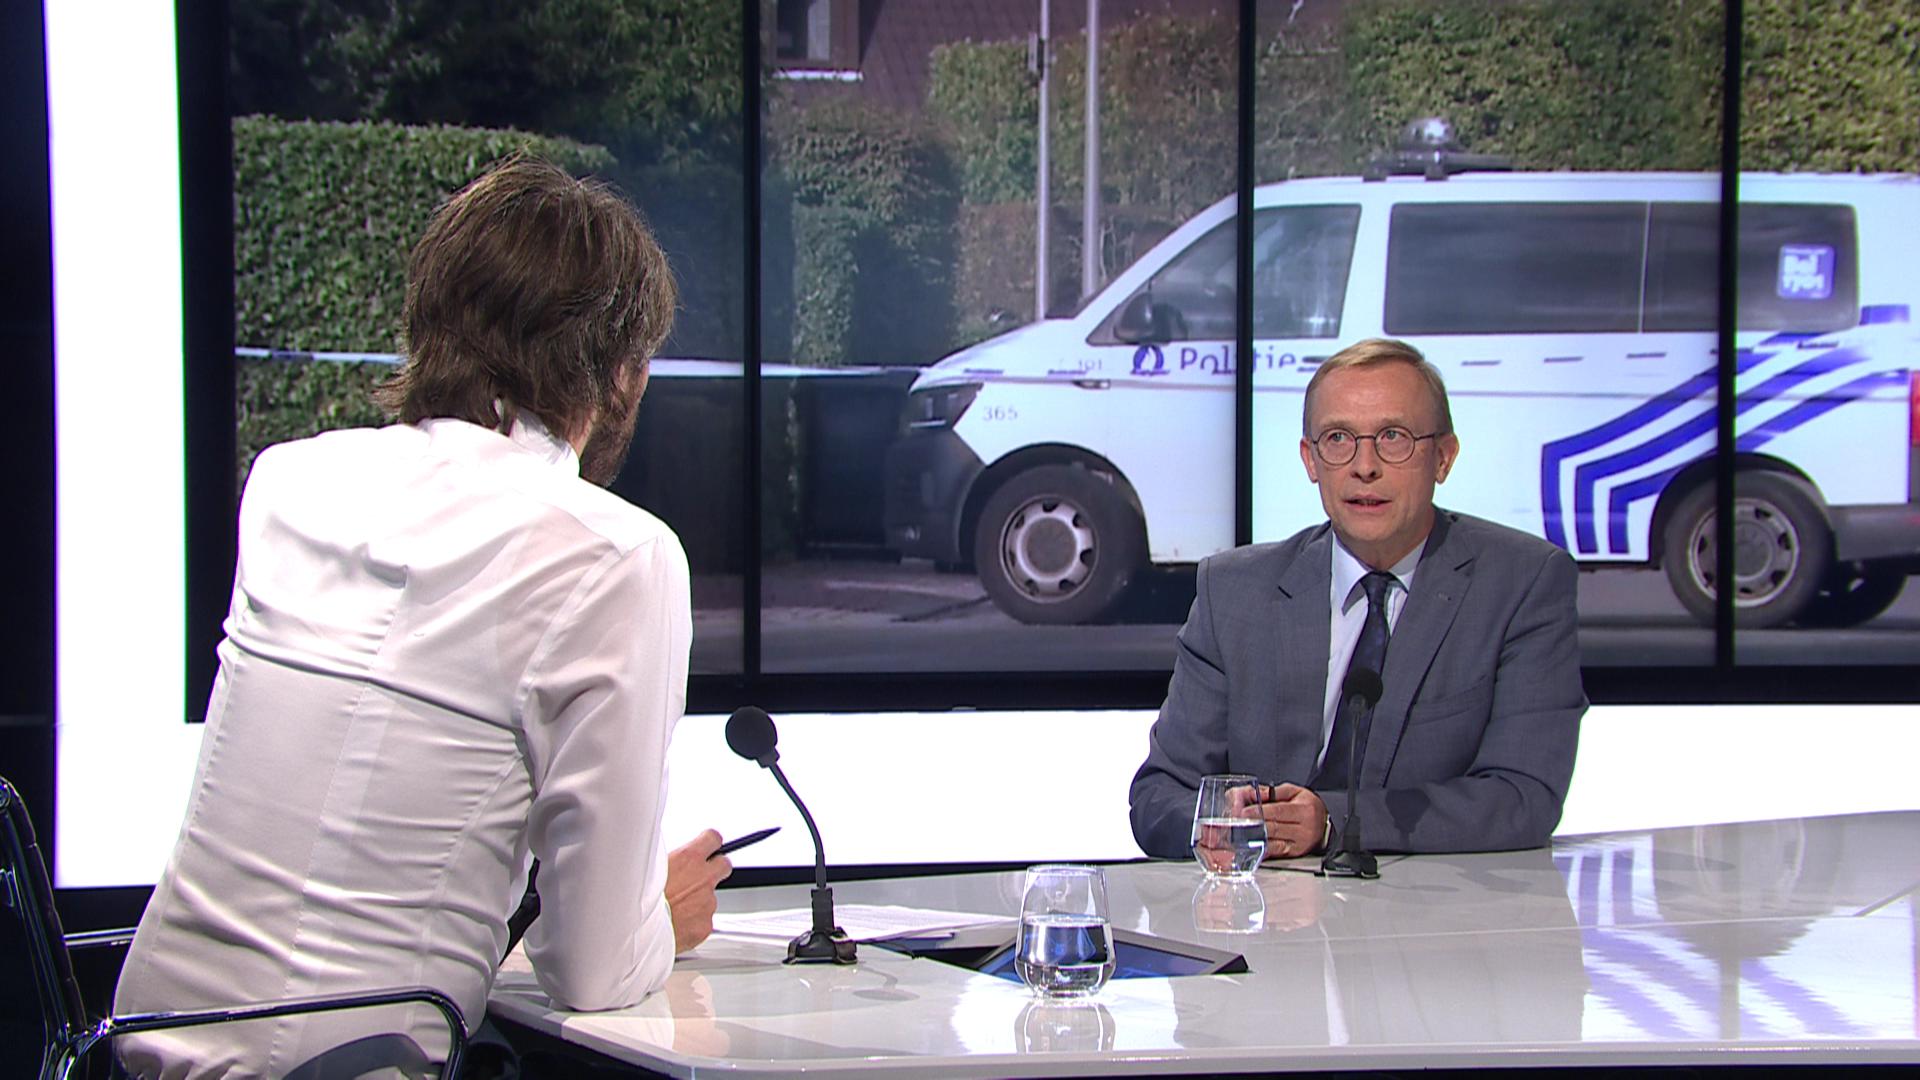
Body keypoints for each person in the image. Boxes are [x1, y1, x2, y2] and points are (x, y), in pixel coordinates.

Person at [115, 156, 731, 1078]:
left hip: (128, 1045)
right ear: (619, 375)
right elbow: (594, 970)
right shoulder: (613, 555)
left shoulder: (289, 480)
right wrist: (657, 919)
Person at [1129, 338, 1586, 860]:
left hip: (1433, 904)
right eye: (1338, 438)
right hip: (1262, 902)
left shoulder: (1522, 583)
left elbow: (1523, 797)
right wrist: (1223, 823)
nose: (1364, 466)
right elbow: (1158, 798)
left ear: (1443, 457)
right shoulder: (1234, 591)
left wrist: (1331, 822)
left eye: (1393, 437)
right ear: (1311, 460)